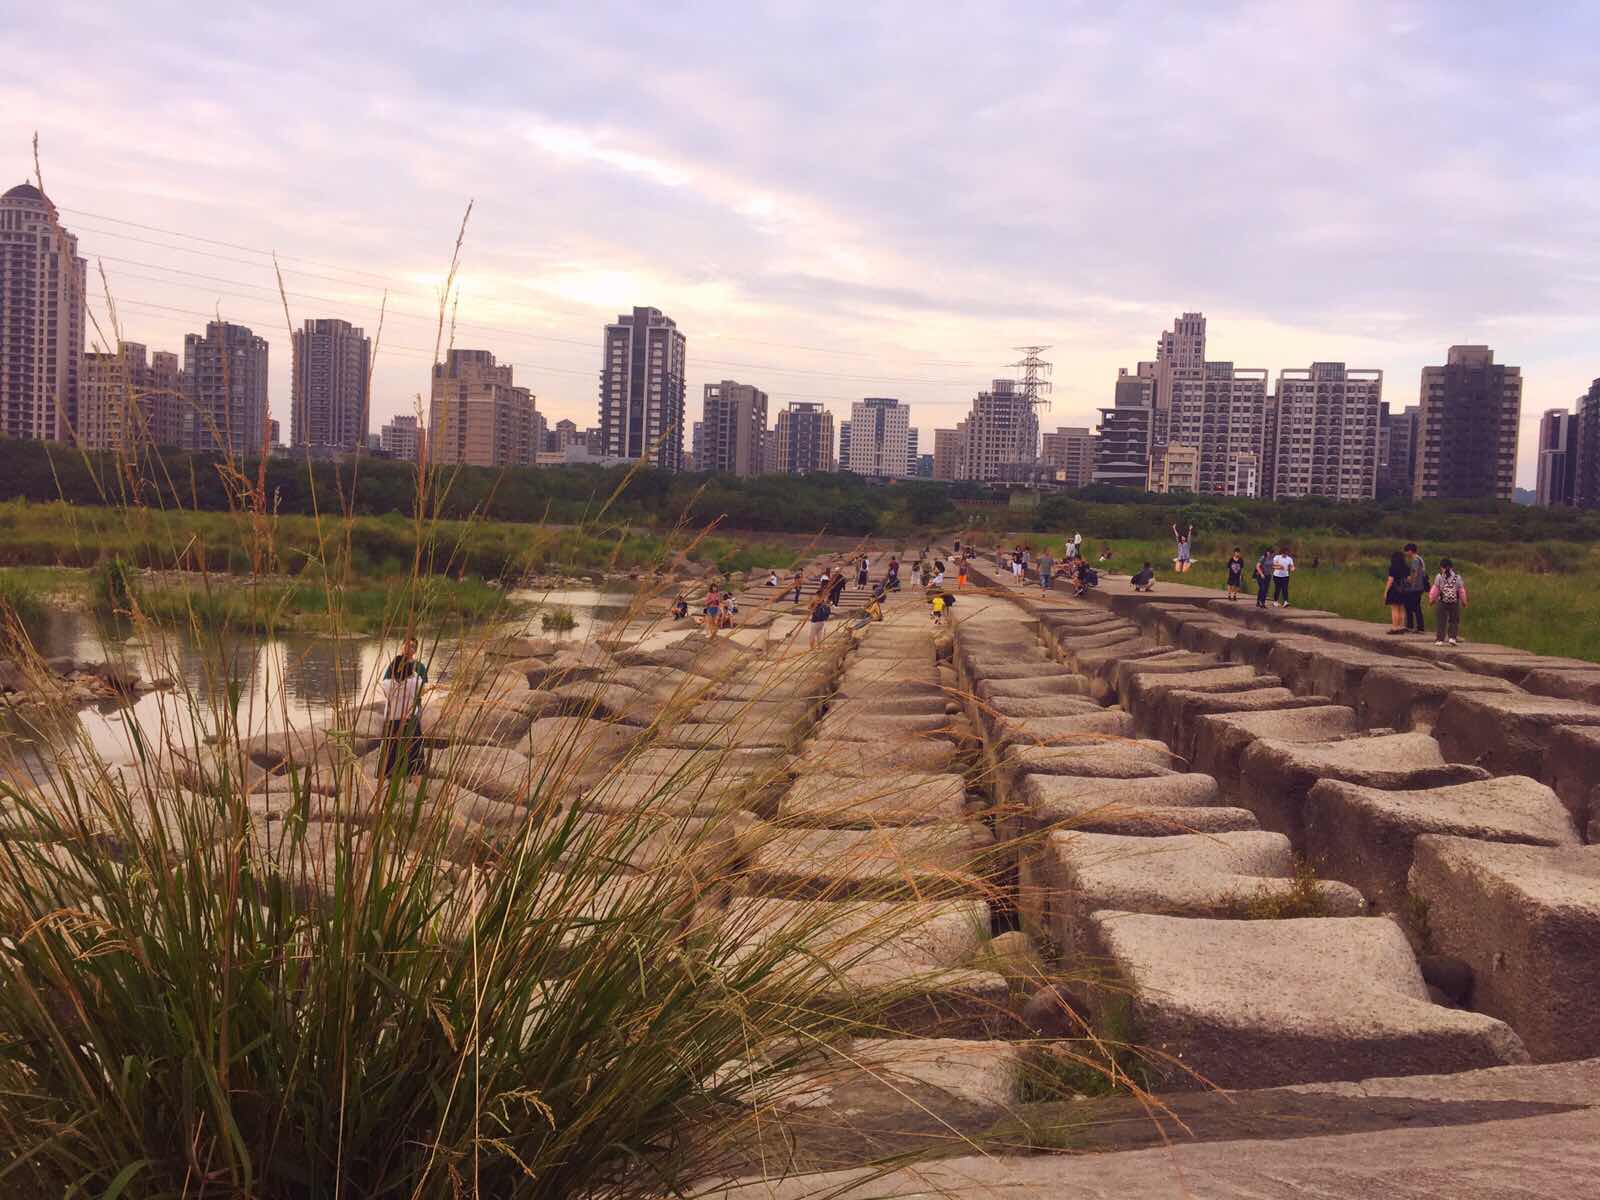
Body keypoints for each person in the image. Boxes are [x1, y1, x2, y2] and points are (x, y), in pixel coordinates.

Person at [378, 654, 425, 780]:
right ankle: (421, 794)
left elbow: (384, 685)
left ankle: (389, 794)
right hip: (411, 723)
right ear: (410, 670)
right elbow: (421, 688)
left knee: (391, 759)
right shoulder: (415, 682)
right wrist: (412, 672)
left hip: (393, 723)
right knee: (415, 759)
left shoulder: (387, 684)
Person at [1430, 557, 1467, 645]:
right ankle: (1452, 638)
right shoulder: (1458, 577)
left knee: (1441, 621)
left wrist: (1432, 600)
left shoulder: (1439, 577)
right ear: (1452, 567)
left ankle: (1440, 640)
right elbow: (1461, 590)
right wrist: (1464, 601)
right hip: (1454, 601)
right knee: (1454, 620)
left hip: (1442, 601)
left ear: (1441, 567)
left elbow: (1435, 590)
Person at [1402, 543, 1428, 634]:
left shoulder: (1415, 560)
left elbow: (1415, 572)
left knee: (1414, 607)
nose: (1405, 553)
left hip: (1415, 587)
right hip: (1419, 587)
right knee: (1413, 606)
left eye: (1406, 551)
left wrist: (1410, 580)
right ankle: (1412, 626)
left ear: (1410, 551)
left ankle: (1417, 627)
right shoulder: (1420, 559)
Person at [1384, 549, 1409, 634]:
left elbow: (1390, 580)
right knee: (1402, 609)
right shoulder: (1406, 567)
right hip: (1403, 590)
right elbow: (1409, 579)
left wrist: (1386, 591)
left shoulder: (1393, 567)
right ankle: (1402, 626)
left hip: (1394, 590)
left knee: (1394, 609)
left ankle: (1395, 628)